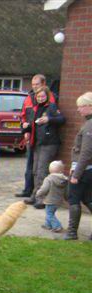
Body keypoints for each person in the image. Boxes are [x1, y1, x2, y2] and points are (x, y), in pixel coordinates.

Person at [22, 87, 65, 209]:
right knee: (35, 171)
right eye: (38, 96)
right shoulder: (35, 108)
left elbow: (62, 119)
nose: (40, 98)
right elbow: (32, 124)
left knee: (42, 171)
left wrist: (49, 119)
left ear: (47, 96)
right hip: (37, 143)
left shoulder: (51, 107)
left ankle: (41, 199)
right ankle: (35, 195)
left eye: (43, 96)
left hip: (49, 143)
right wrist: (25, 127)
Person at [16, 74, 57, 198]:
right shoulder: (29, 98)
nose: (34, 87)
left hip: (44, 139)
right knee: (31, 166)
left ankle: (38, 194)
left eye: (37, 85)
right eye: (33, 85)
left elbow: (56, 117)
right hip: (31, 136)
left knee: (40, 169)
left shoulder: (51, 99)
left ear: (43, 84)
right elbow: (23, 116)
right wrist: (25, 130)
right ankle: (28, 190)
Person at [65, 91, 92, 241]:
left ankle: (72, 232)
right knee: (88, 199)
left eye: (81, 106)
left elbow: (86, 152)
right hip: (88, 169)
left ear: (89, 106)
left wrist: (76, 174)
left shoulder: (89, 126)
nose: (78, 109)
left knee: (73, 198)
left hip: (84, 169)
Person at [35, 160, 68, 233]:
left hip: (50, 200)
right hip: (58, 201)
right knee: (50, 213)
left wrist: (38, 193)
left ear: (50, 170)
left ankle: (57, 226)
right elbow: (66, 191)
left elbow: (44, 189)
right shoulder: (64, 180)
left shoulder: (49, 179)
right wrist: (66, 198)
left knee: (49, 214)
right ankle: (48, 225)